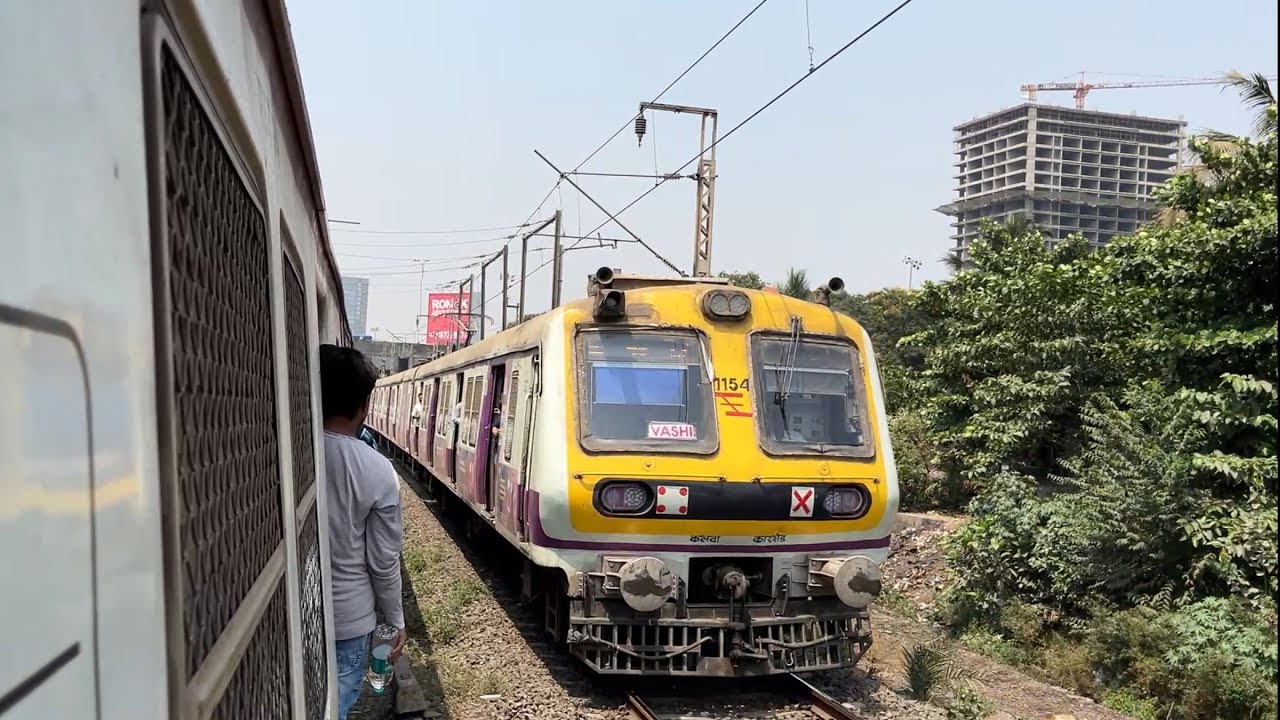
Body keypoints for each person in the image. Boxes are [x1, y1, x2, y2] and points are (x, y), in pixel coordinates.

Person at [319, 345, 406, 720]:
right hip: (348, 620)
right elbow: (383, 562)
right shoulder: (377, 469)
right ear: (364, 405)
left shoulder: (282, 451)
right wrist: (395, 621)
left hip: (285, 611)